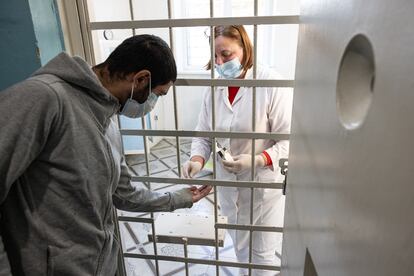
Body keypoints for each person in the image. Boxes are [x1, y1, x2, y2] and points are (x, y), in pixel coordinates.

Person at [0, 34, 212, 275]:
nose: (153, 103)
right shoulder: (43, 98)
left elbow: (123, 193)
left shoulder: (108, 120)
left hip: (100, 262)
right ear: (141, 79)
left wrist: (177, 199)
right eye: (157, 95)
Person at [182, 25, 293, 276]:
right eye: (215, 56)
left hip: (262, 189)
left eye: (226, 54)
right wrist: (197, 159)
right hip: (230, 188)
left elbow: (288, 141)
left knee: (262, 259)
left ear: (245, 47)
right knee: (242, 252)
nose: (220, 63)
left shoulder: (271, 84)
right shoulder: (214, 88)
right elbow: (203, 133)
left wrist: (257, 160)